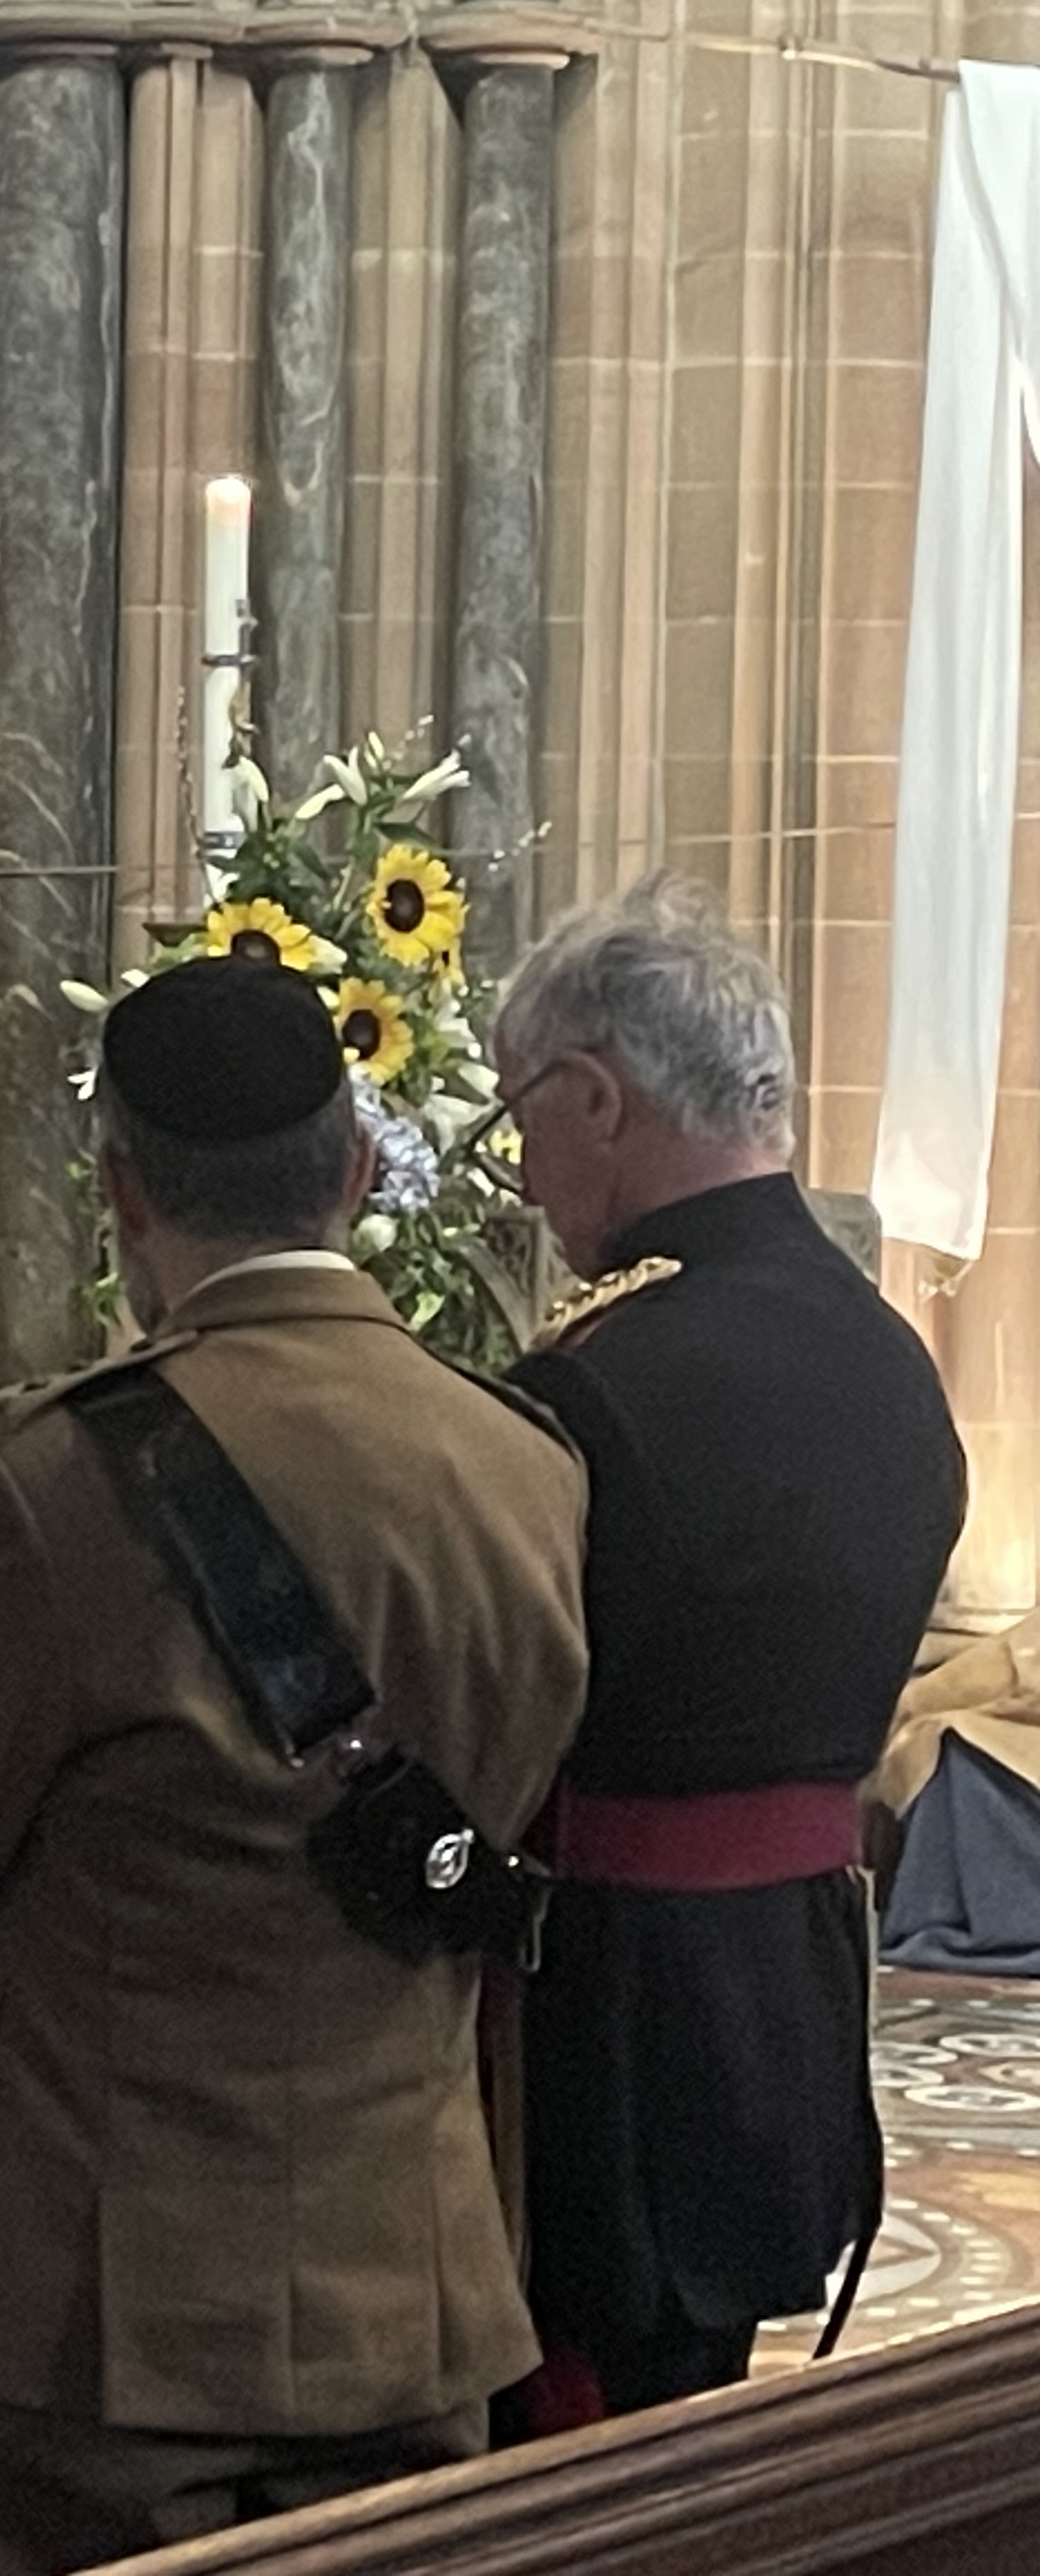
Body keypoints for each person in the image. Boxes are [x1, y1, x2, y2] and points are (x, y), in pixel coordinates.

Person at [0, 956, 591, 2576]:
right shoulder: (522, 1462)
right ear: (361, 1167)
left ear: (117, 1190)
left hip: (93, 2301)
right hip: (411, 2274)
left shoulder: (34, 1484)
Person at [493, 877, 965, 2424]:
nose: (518, 1161)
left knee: (566, 2453)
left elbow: (502, 1711)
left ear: (596, 1097)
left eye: (524, 1115)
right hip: (796, 1989)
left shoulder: (599, 1379)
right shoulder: (892, 1362)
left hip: (602, 2027)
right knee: (701, 2436)